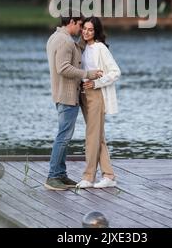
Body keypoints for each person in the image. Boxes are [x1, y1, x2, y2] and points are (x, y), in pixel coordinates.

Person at [45, 11, 102, 191]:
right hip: (67, 95)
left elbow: (71, 55)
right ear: (71, 22)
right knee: (63, 137)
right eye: (79, 25)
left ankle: (60, 174)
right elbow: (63, 68)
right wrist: (88, 74)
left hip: (60, 94)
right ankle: (53, 176)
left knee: (64, 135)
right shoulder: (65, 41)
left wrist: (85, 43)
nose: (80, 29)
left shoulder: (56, 37)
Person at [77, 16, 121, 189]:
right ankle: (109, 176)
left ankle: (88, 177)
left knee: (91, 137)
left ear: (96, 32)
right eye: (84, 29)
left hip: (96, 95)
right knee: (97, 137)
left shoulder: (100, 48)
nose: (86, 32)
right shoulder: (81, 47)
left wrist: (96, 83)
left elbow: (116, 72)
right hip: (83, 95)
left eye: (90, 30)